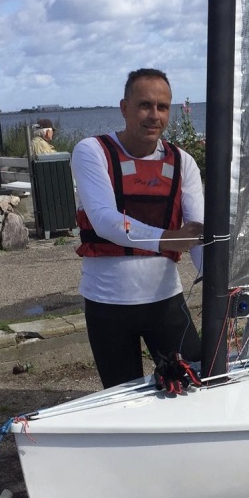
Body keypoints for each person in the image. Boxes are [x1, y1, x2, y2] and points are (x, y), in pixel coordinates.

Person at [72, 68, 205, 392]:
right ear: (124, 107)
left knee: (197, 384)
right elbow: (104, 220)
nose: (154, 115)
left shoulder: (183, 161)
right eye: (145, 105)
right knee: (123, 401)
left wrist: (219, 286)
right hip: (108, 306)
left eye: (162, 107)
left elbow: (199, 235)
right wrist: (167, 239)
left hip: (166, 302)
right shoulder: (92, 151)